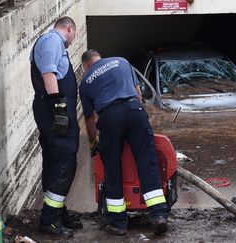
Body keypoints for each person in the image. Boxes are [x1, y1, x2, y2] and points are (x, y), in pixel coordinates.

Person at [79, 49, 169, 235]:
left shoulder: (86, 80)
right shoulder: (121, 61)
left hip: (109, 116)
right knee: (147, 160)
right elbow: (138, 94)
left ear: (86, 65)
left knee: (111, 167)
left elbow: (89, 118)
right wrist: (139, 119)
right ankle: (159, 215)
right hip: (134, 109)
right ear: (100, 58)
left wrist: (93, 142)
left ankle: (119, 224)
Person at [29, 16, 81, 239]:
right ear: (69, 28)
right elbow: (48, 73)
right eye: (73, 34)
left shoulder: (50, 42)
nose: (72, 40)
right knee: (65, 159)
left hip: (48, 107)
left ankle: (57, 212)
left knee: (54, 159)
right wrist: (59, 107)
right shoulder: (53, 41)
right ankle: (49, 219)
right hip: (53, 109)